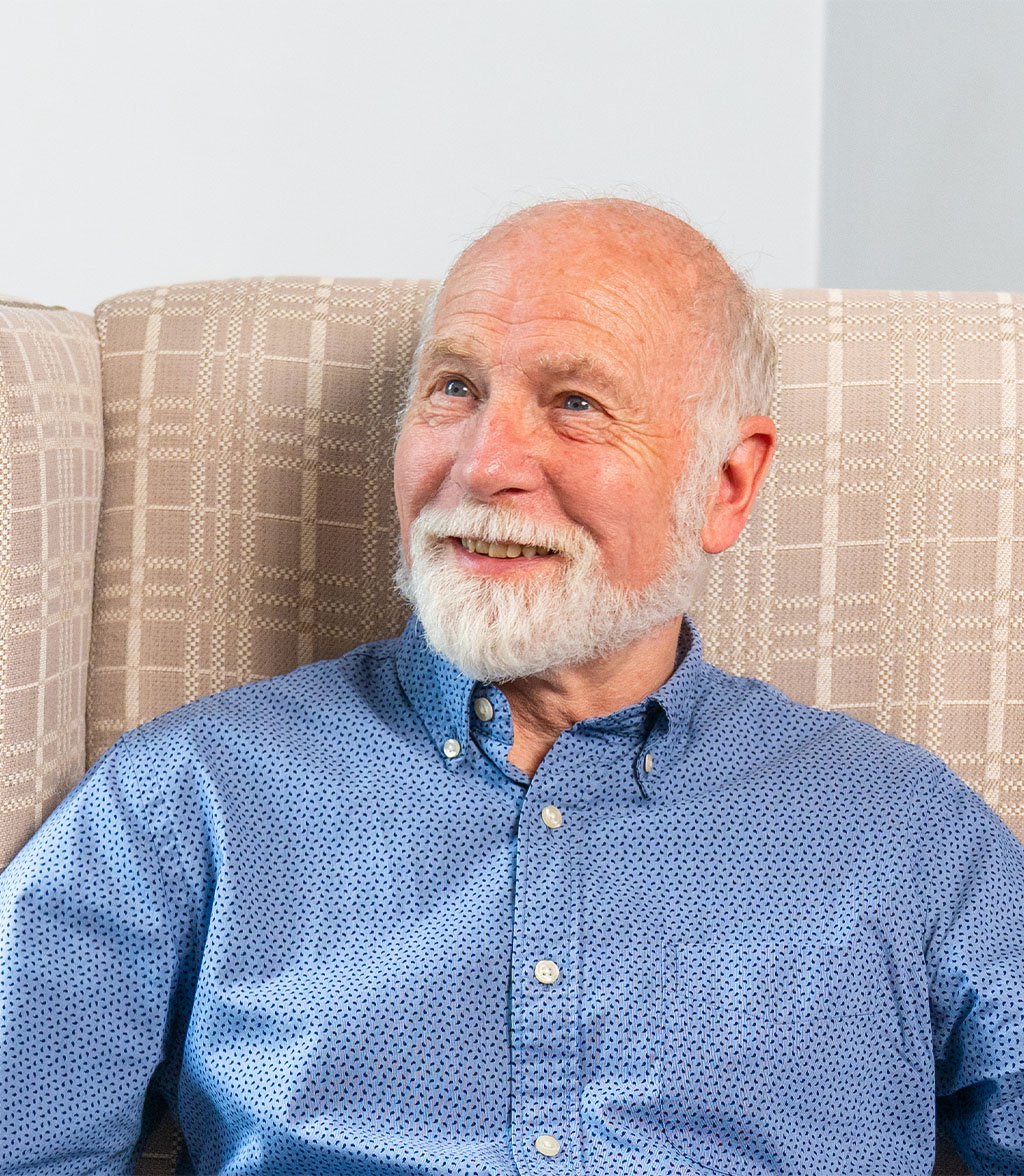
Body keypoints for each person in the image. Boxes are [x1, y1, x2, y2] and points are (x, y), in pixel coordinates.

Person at [1, 198, 1021, 1176]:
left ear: (726, 484)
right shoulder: (189, 796)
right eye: (453, 389)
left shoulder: (907, 833)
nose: (485, 463)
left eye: (576, 404)